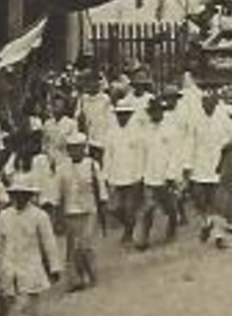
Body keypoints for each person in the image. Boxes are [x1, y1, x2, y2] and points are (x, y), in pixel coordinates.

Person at [0, 174, 62, 316]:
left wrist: (54, 267)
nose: (20, 198)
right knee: (22, 310)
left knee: (22, 314)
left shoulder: (40, 216)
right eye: (16, 194)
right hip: (10, 271)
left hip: (31, 271)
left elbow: (49, 243)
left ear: (30, 196)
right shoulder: (5, 216)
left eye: (24, 194)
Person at [187, 91, 232, 243]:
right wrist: (186, 164)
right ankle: (207, 221)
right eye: (205, 102)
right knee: (199, 198)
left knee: (216, 201)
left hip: (217, 164)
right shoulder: (194, 118)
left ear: (216, 103)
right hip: (198, 164)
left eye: (212, 102)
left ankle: (218, 234)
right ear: (202, 103)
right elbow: (188, 142)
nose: (208, 105)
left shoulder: (222, 118)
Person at [55, 132, 106, 289]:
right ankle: (77, 278)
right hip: (70, 211)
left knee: (86, 244)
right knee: (73, 247)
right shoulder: (62, 168)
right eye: (71, 148)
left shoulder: (92, 165)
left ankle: (92, 274)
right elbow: (58, 193)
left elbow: (100, 188)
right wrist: (57, 215)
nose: (75, 151)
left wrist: (102, 206)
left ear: (84, 148)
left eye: (78, 148)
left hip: (89, 209)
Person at [135, 99, 183, 249]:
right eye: (152, 112)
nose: (155, 114)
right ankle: (144, 239)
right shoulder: (145, 131)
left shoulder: (171, 130)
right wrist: (140, 174)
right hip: (150, 176)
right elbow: (141, 154)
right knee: (147, 208)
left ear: (163, 112)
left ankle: (172, 228)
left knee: (170, 207)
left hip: (167, 177)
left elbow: (176, 154)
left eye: (158, 111)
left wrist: (171, 175)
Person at [102, 100, 145, 244]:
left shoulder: (137, 131)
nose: (123, 117)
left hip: (132, 175)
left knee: (129, 207)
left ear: (130, 115)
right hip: (116, 175)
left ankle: (128, 232)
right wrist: (106, 176)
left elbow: (140, 155)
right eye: (120, 114)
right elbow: (107, 155)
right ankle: (129, 225)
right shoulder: (111, 132)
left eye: (126, 114)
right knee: (113, 208)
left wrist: (139, 176)